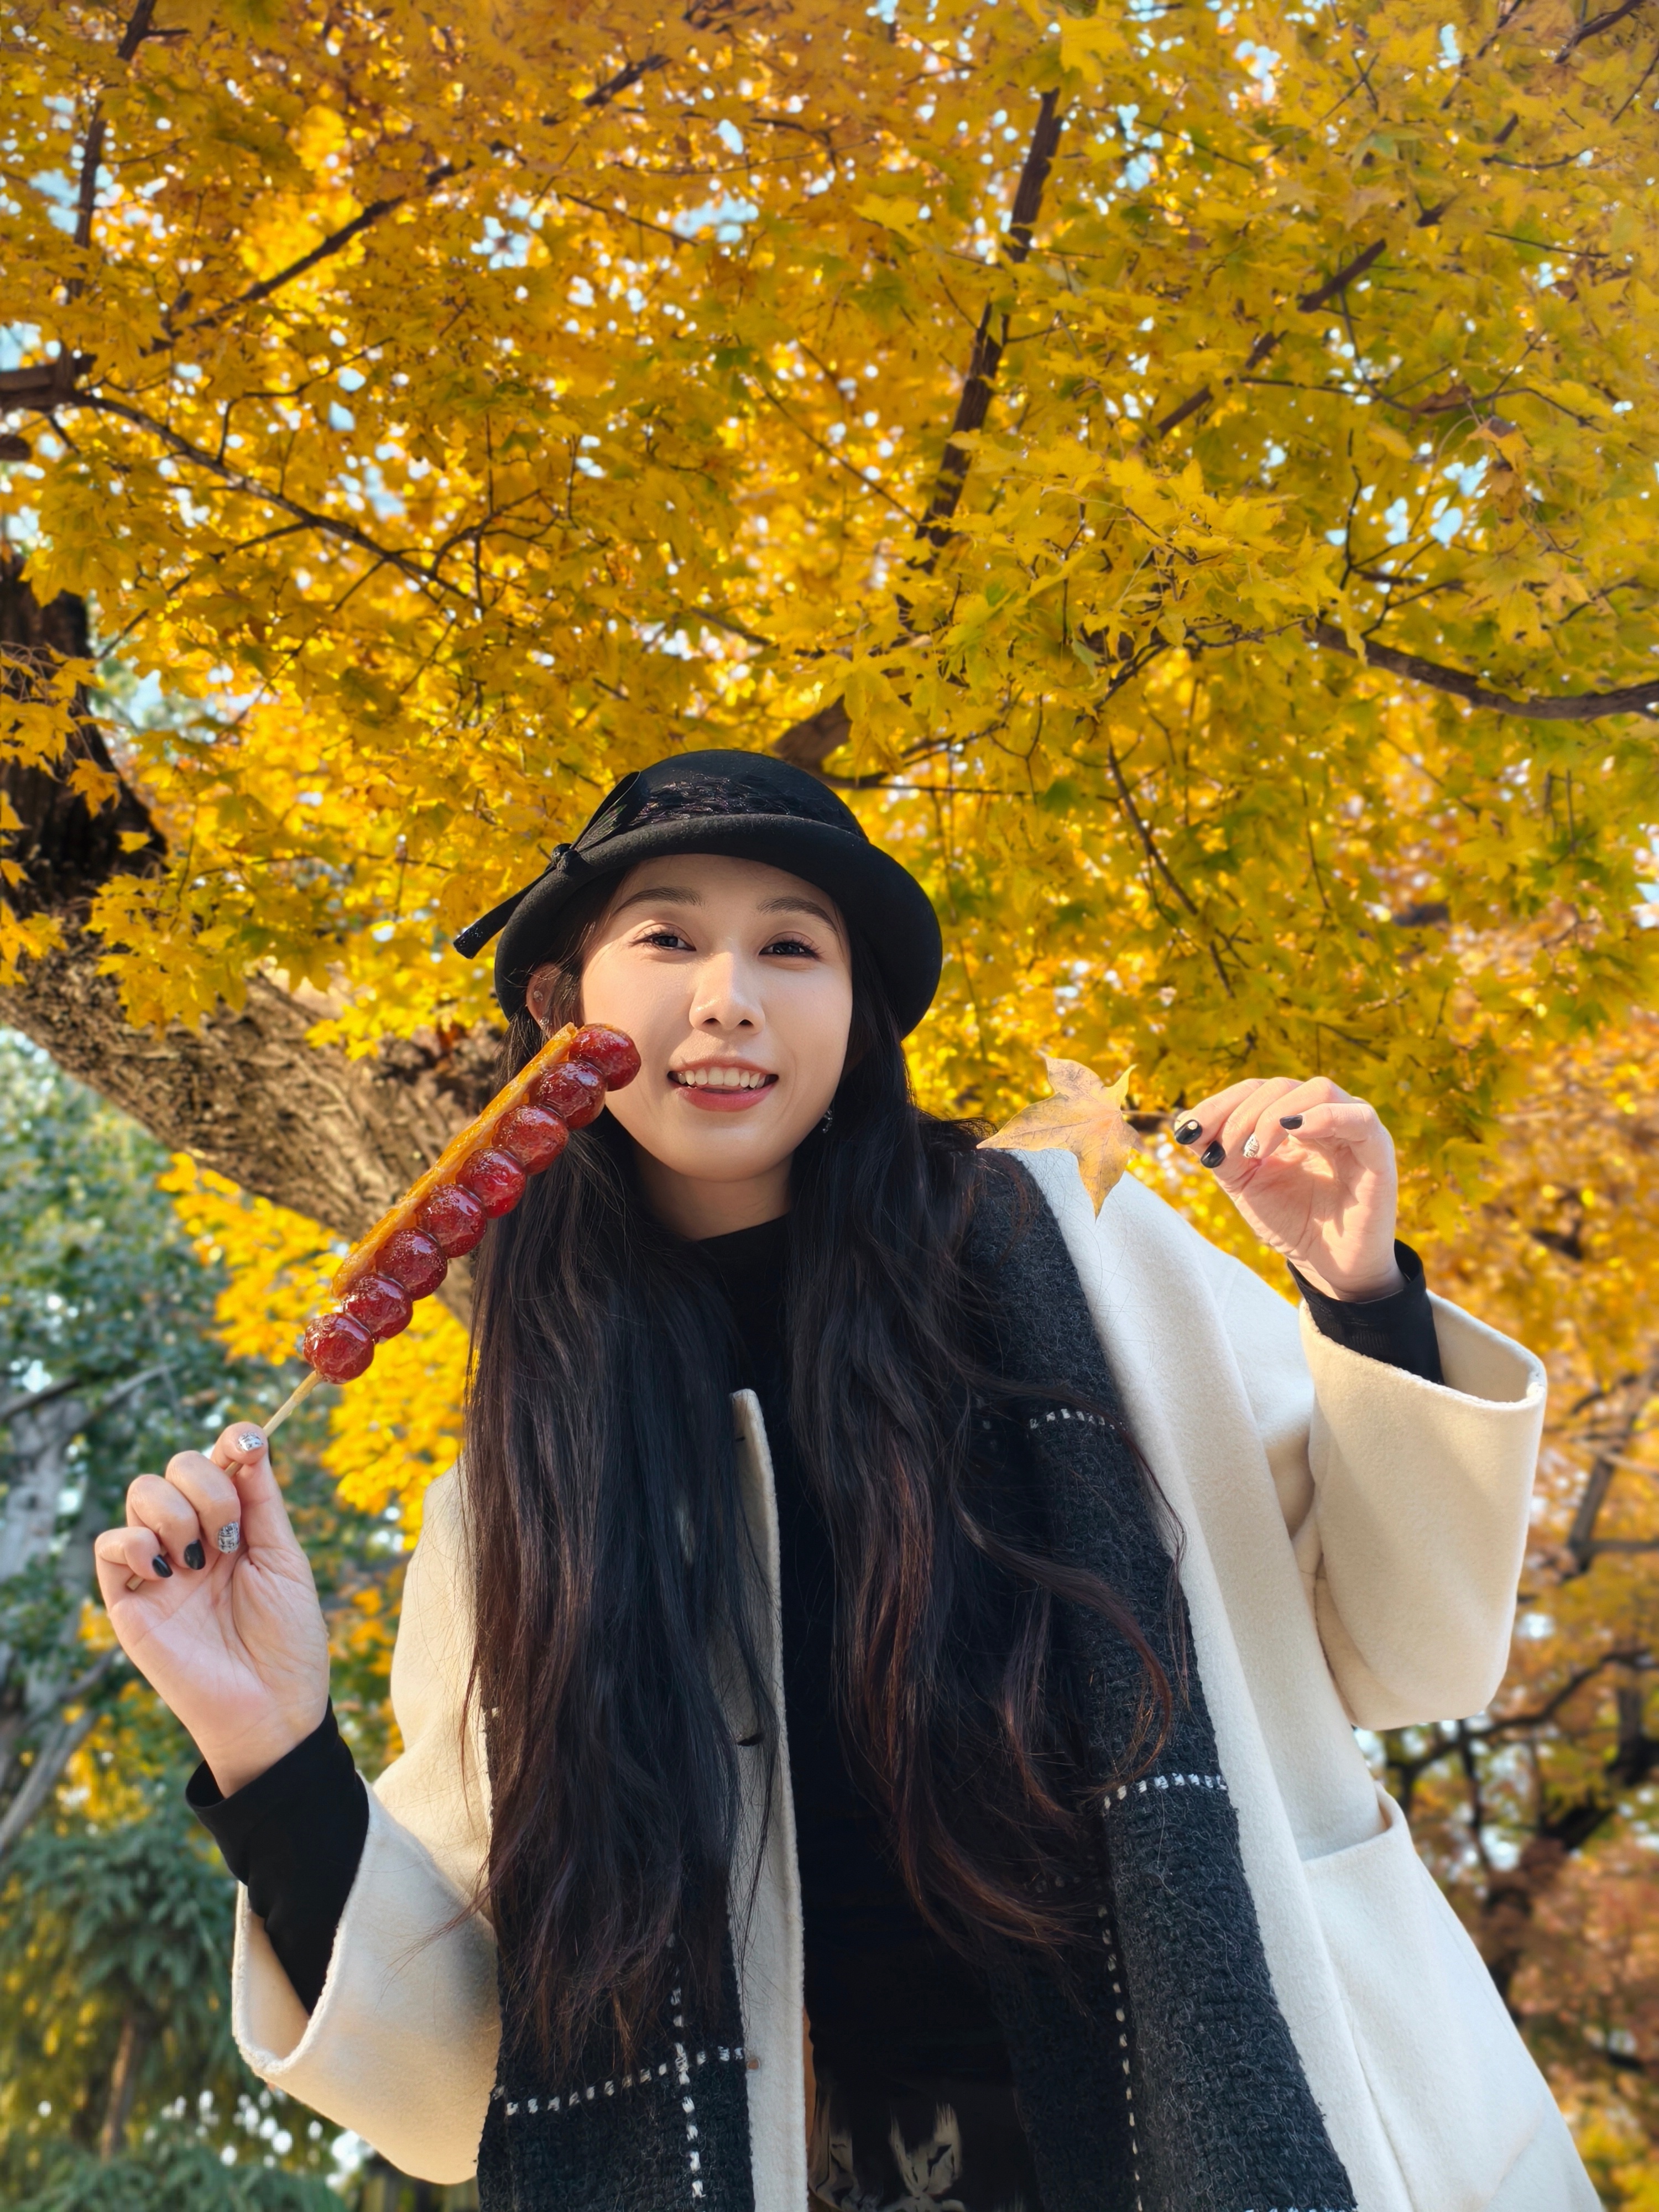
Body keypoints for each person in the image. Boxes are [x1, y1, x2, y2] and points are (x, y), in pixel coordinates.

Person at [96, 752, 1595, 2212]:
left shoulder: (1091, 1263)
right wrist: (268, 1744)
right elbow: (455, 2082)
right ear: (562, 1009)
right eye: (666, 939)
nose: (727, 996)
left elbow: (1409, 1653)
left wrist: (1359, 1298)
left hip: (1251, 2126)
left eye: (790, 947)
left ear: (859, 1011)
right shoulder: (519, 1496)